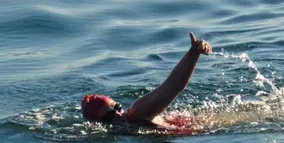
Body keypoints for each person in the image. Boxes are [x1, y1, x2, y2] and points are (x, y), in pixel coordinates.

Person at [82, 32, 212, 130]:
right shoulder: (129, 129)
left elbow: (174, 85)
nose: (119, 114)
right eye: (109, 116)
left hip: (207, 126)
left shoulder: (139, 111)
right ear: (97, 123)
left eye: (118, 107)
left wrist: (193, 53)